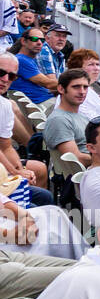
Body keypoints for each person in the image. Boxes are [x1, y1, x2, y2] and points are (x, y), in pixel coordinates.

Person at [0, 51, 48, 193]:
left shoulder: (5, 105)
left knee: (39, 170)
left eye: (12, 76)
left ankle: (28, 208)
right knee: (43, 196)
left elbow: (6, 147)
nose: (5, 79)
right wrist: (16, 173)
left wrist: (21, 171)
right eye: (1, 72)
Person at [41, 68, 93, 168]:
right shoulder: (59, 120)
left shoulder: (81, 116)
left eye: (85, 87)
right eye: (76, 87)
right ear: (61, 89)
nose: (82, 92)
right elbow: (75, 159)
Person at [66, 48, 100, 119]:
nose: (96, 68)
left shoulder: (89, 90)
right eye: (91, 64)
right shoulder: (77, 94)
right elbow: (93, 124)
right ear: (78, 68)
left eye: (97, 64)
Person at [11, 27, 55, 104]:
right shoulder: (21, 60)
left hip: (45, 100)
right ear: (23, 41)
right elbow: (48, 84)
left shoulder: (29, 60)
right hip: (38, 104)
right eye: (34, 39)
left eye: (42, 40)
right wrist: (70, 83)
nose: (39, 43)